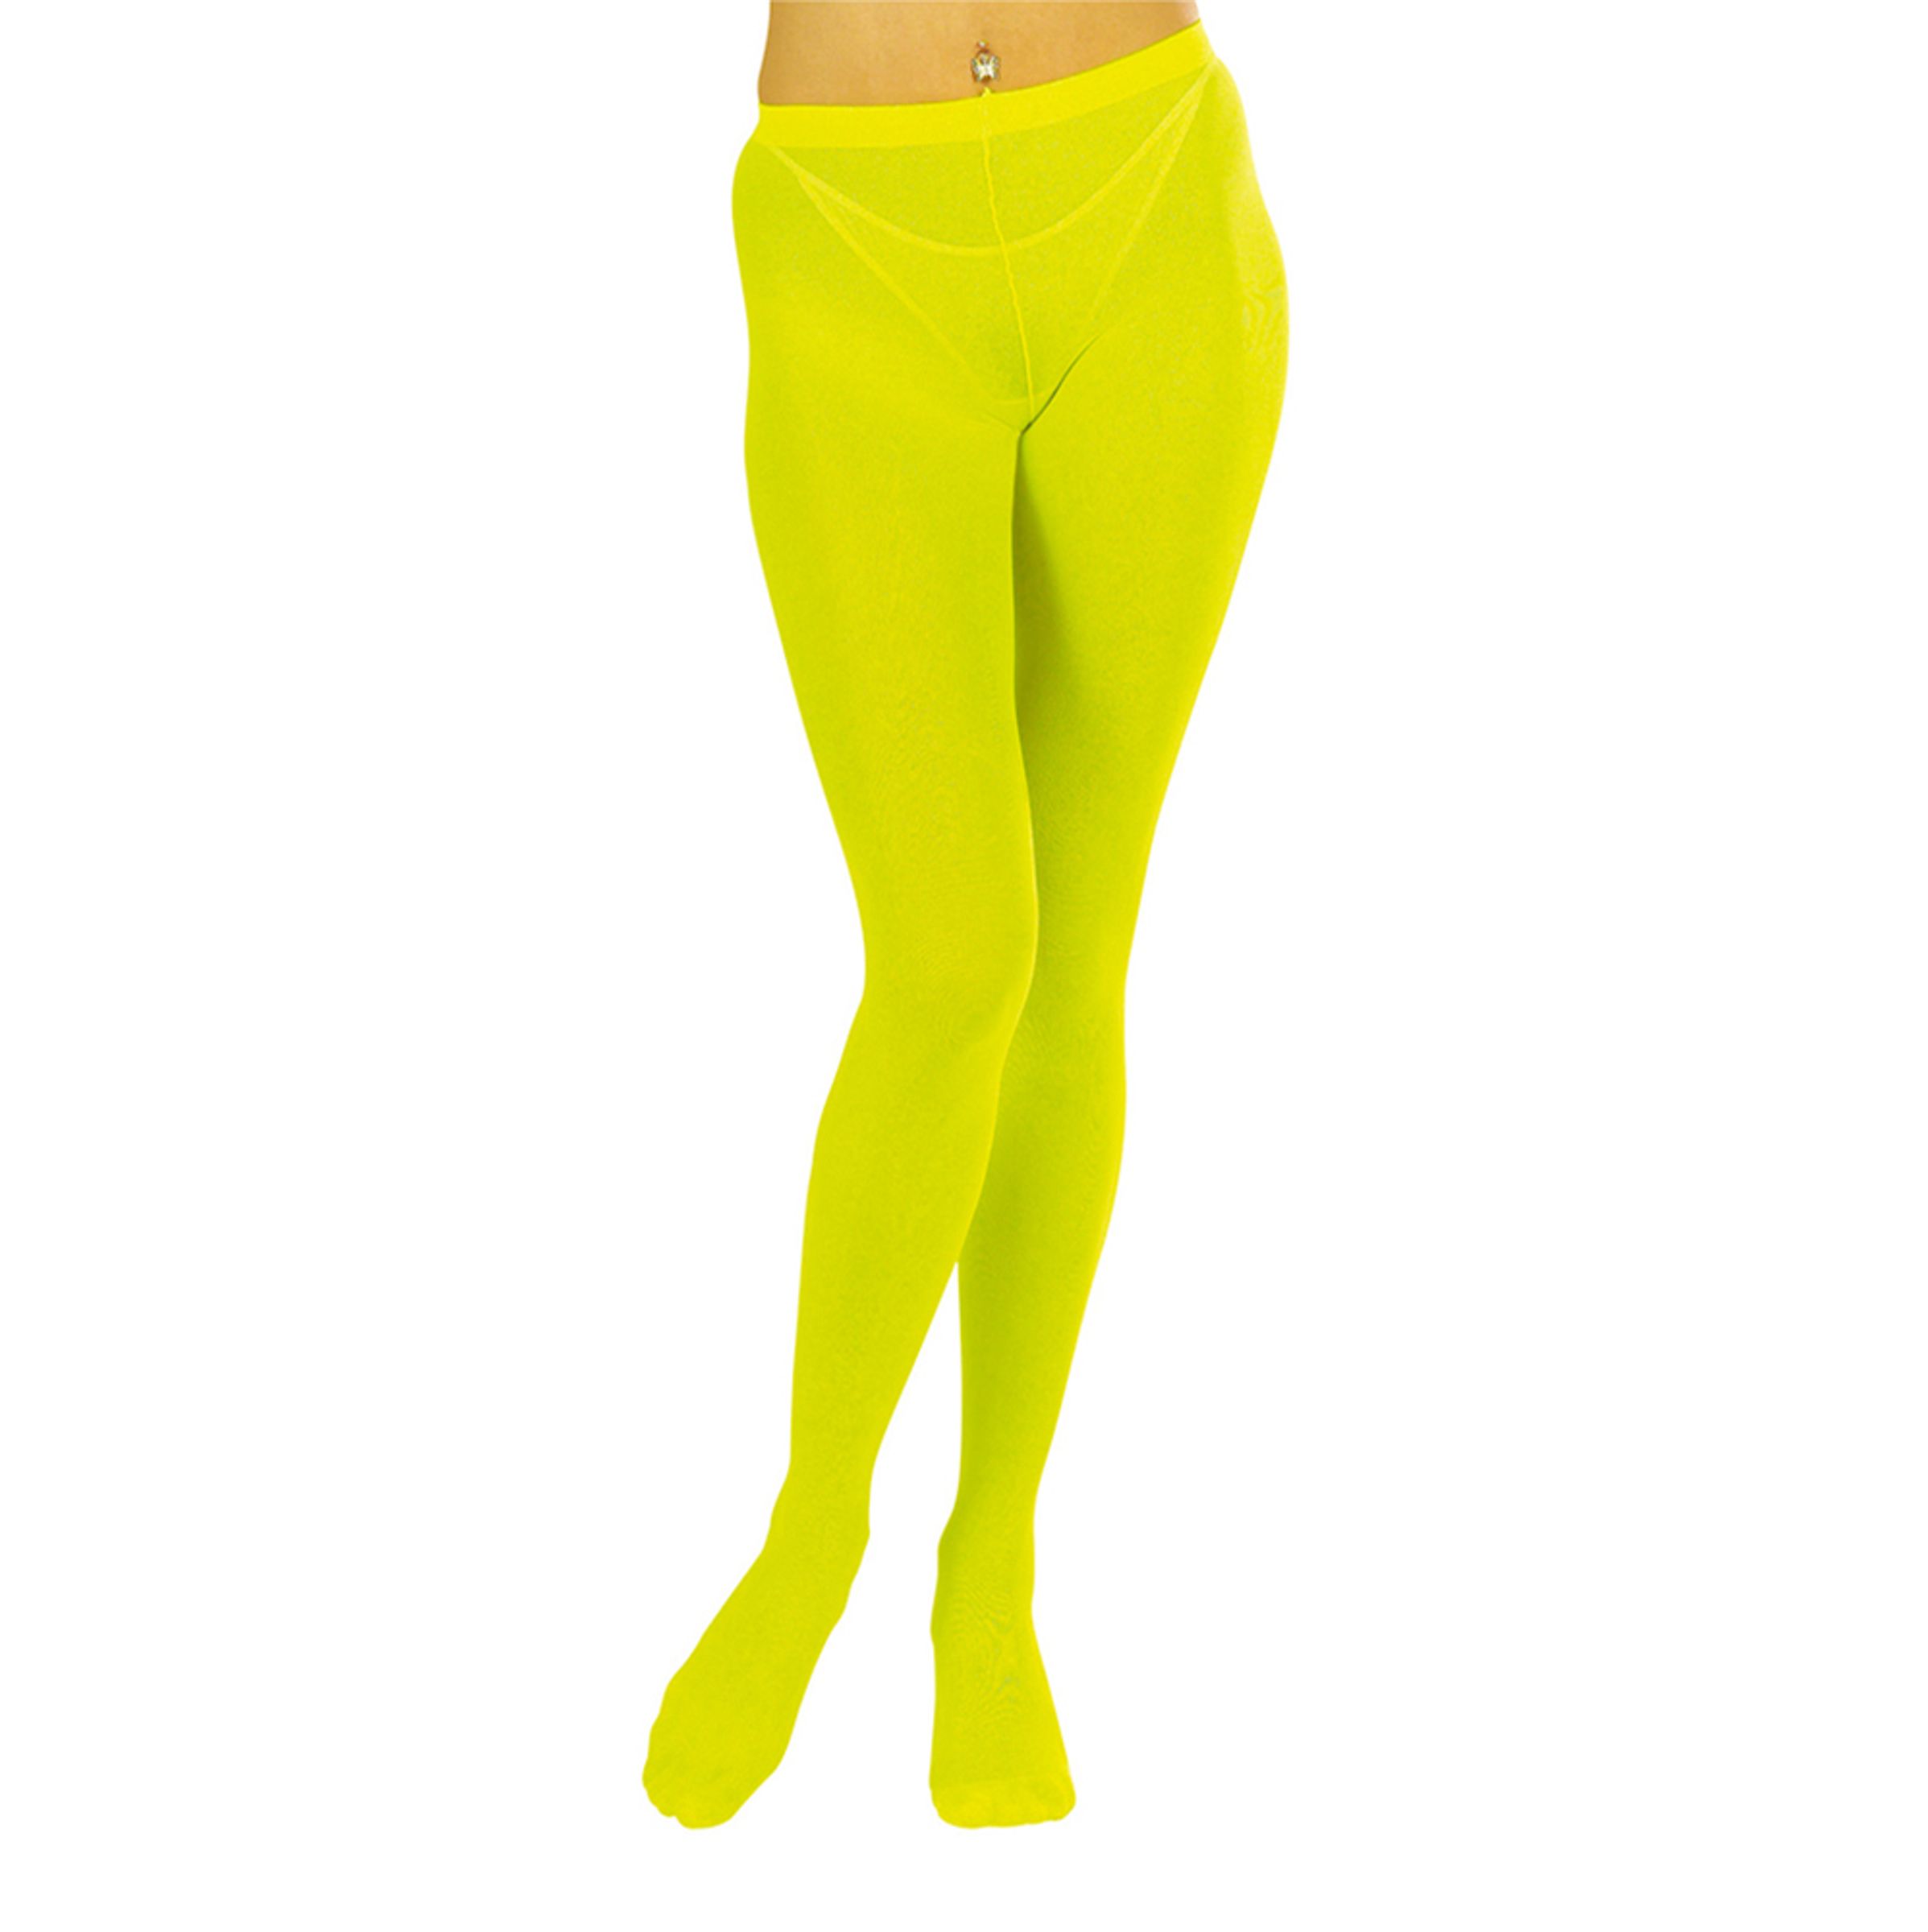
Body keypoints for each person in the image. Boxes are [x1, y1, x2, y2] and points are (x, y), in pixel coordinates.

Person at [643, 0, 1288, 1829]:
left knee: (1074, 947)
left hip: (1151, 193)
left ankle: (989, 1560)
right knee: (952, 954)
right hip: (849, 223)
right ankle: (815, 1529)